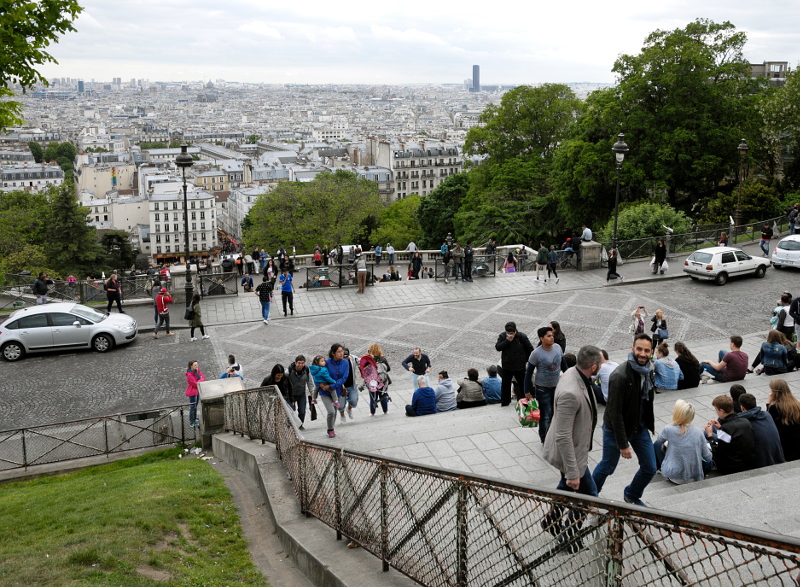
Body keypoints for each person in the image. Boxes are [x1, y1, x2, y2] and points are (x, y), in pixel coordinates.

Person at [541, 345, 602, 553]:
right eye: (600, 364)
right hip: (571, 454)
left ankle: (551, 519)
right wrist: (573, 472)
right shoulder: (571, 392)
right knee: (589, 493)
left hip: (575, 449)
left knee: (565, 486)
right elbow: (563, 435)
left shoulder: (573, 372)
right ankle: (568, 535)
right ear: (593, 366)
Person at [592, 334, 657, 507]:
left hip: (639, 427)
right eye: (639, 349)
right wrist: (623, 444)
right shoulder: (620, 376)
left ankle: (632, 494)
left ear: (651, 352)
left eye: (647, 350)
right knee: (608, 466)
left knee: (650, 467)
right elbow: (614, 413)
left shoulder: (648, 370)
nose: (643, 354)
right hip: (616, 429)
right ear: (633, 349)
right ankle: (588, 495)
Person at [653, 400, 712, 484]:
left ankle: (658, 468)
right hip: (694, 475)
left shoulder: (668, 429)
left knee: (657, 444)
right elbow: (708, 457)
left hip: (674, 476)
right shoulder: (698, 432)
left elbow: (660, 440)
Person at [524, 326, 565, 444]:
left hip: (557, 386)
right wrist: (527, 391)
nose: (552, 338)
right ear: (542, 338)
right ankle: (544, 438)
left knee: (555, 413)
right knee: (546, 414)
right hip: (543, 389)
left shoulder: (557, 348)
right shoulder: (536, 353)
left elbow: (564, 365)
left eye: (552, 335)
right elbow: (528, 373)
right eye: (548, 336)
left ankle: (552, 435)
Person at [704, 395, 755, 474]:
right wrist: (721, 427)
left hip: (731, 468)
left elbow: (718, 452)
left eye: (716, 409)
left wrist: (710, 435)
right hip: (748, 462)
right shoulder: (745, 421)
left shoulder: (725, 429)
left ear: (721, 411)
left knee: (704, 438)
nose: (716, 411)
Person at [737, 393, 785, 468]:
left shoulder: (744, 422)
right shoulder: (767, 415)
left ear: (742, 408)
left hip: (762, 462)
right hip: (778, 457)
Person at [495, 321, 534, 406]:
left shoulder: (521, 337)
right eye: (508, 333)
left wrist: (525, 360)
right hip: (507, 366)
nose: (510, 335)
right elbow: (498, 347)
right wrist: (507, 341)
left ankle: (525, 400)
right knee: (505, 384)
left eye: (512, 333)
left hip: (519, 366)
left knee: (522, 383)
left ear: (515, 331)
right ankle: (505, 401)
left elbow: (530, 349)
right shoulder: (502, 336)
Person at [766, 379, 800, 462]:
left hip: (784, 442)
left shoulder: (774, 408)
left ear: (775, 392)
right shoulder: (796, 403)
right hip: (797, 440)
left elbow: (769, 423)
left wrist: (768, 404)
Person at [360, 345, 390, 416]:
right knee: (383, 395)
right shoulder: (382, 359)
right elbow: (388, 368)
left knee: (373, 397)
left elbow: (363, 370)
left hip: (372, 381)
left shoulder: (367, 360)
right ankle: (385, 411)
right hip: (382, 380)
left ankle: (372, 413)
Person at [338, 348, 360, 420]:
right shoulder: (336, 361)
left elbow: (361, 362)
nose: (345, 358)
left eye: (346, 356)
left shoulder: (353, 358)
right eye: (343, 357)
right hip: (340, 387)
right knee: (341, 405)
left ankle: (349, 409)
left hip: (352, 385)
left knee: (354, 402)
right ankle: (342, 415)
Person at [185, 360, 205, 427]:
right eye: (195, 365)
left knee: (195, 406)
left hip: (197, 391)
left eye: (197, 364)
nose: (197, 366)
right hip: (193, 392)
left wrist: (200, 380)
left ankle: (195, 418)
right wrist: (200, 380)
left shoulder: (197, 370)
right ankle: (192, 421)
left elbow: (203, 377)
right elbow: (195, 384)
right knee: (193, 407)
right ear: (191, 366)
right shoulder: (189, 375)